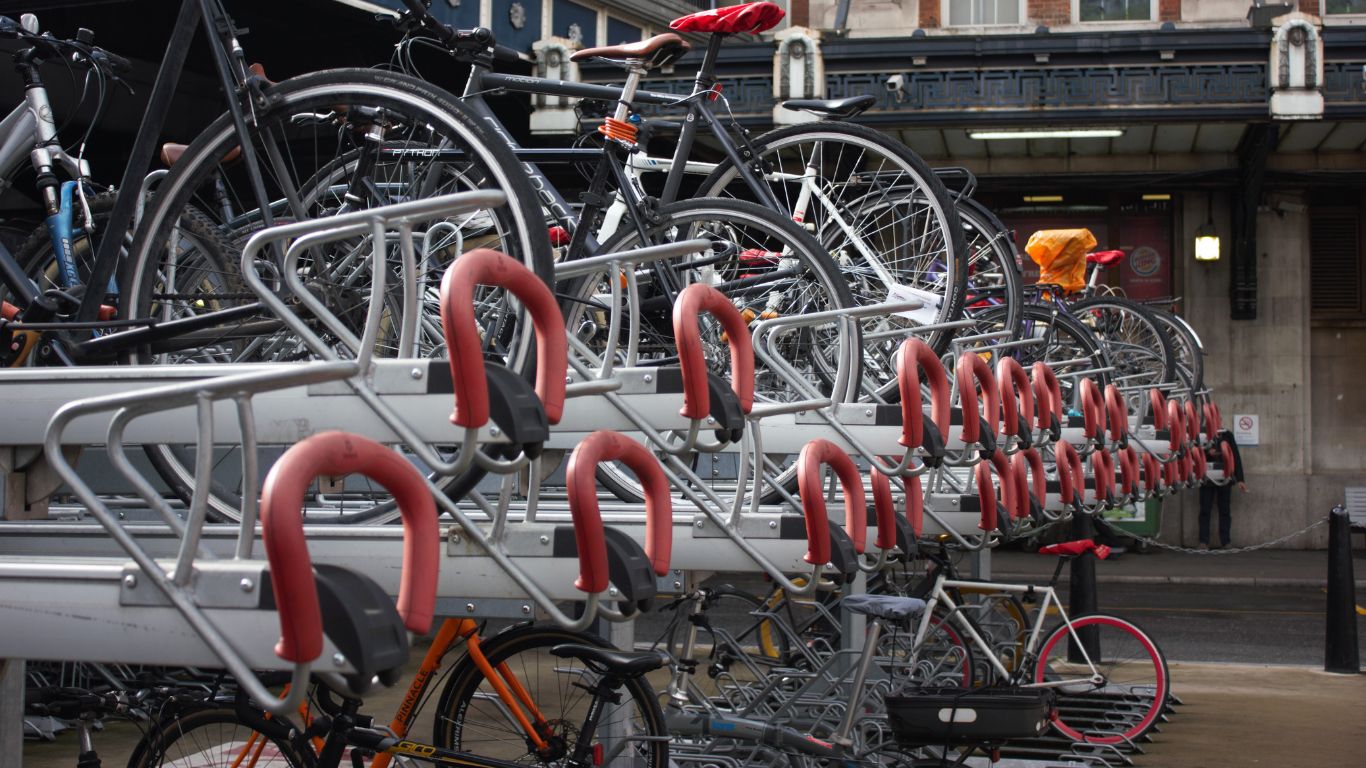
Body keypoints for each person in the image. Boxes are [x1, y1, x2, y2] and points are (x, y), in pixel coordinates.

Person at [1198, 428, 1246, 549]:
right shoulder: (1202, 433)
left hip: (1225, 477)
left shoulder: (1227, 435)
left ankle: (1226, 541)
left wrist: (1240, 479)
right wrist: (1209, 453)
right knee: (1205, 509)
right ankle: (1203, 541)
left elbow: (1235, 455)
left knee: (1224, 510)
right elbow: (1195, 453)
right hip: (1207, 478)